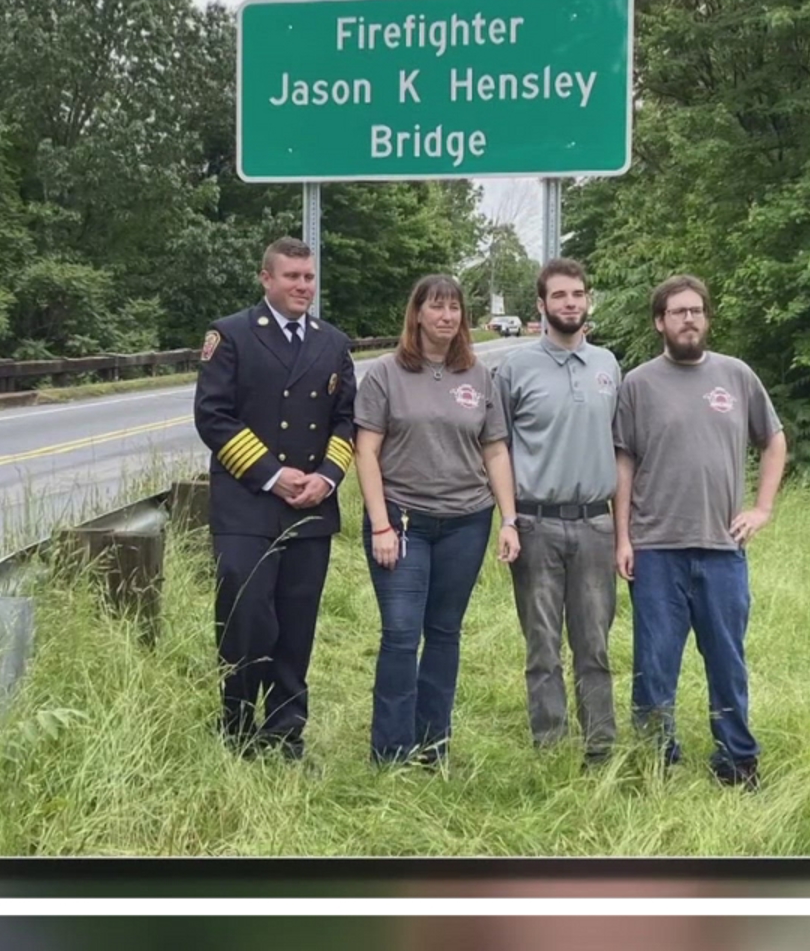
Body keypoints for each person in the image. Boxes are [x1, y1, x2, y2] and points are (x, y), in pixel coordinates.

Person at [612, 274, 788, 789]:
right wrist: (622, 539)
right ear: (659, 322)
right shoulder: (638, 384)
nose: (688, 319)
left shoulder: (736, 377)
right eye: (677, 312)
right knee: (654, 663)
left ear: (707, 318)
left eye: (696, 311)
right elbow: (623, 463)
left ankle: (736, 761)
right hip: (656, 548)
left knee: (727, 662)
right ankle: (655, 760)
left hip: (722, 549)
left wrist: (762, 508)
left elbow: (774, 441)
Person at [192, 237, 357, 760]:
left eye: (309, 277)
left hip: (310, 507)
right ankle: (237, 727)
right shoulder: (231, 335)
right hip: (247, 504)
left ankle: (286, 732)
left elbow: (347, 419)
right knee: (245, 619)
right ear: (266, 279)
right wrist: (272, 474)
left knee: (297, 622)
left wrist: (327, 476)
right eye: (292, 277)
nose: (303, 286)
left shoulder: (333, 342)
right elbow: (213, 416)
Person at [354, 274, 521, 766]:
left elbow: (494, 451)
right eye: (436, 307)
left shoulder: (478, 376)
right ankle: (391, 749)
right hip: (403, 523)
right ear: (418, 314)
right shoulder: (385, 374)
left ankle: (433, 744)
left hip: (466, 522)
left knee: (444, 632)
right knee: (402, 634)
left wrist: (509, 519)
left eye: (454, 308)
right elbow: (367, 451)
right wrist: (381, 525)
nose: (446, 316)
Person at [493, 258, 623, 764]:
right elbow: (496, 446)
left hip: (595, 523)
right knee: (543, 646)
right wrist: (507, 519)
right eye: (560, 295)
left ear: (588, 300)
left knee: (594, 644)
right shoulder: (515, 369)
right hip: (536, 522)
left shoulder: (609, 366)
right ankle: (548, 744)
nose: (570, 302)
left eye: (578, 294)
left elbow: (621, 448)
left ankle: (600, 747)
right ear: (542, 305)